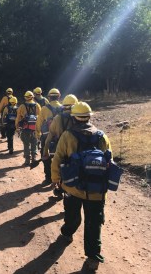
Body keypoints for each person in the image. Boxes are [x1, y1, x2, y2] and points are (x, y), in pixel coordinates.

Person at [51, 102, 112, 271]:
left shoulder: (67, 136)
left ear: (74, 117)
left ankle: (67, 233)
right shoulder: (102, 136)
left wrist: (56, 178)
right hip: (96, 191)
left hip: (73, 187)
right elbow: (109, 160)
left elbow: (57, 158)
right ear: (89, 116)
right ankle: (93, 257)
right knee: (94, 223)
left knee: (72, 215)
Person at [36, 88, 62, 184]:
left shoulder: (44, 108)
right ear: (59, 97)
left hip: (46, 136)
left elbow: (39, 123)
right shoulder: (63, 108)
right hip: (60, 137)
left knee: (45, 156)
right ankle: (59, 178)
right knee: (59, 157)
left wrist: (38, 134)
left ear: (49, 97)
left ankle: (48, 178)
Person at [16, 91, 41, 166]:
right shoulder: (37, 105)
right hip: (35, 128)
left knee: (26, 144)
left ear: (25, 97)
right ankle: (34, 158)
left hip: (25, 128)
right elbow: (40, 118)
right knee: (34, 143)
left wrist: (17, 128)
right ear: (33, 97)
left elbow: (18, 118)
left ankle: (27, 160)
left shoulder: (22, 106)